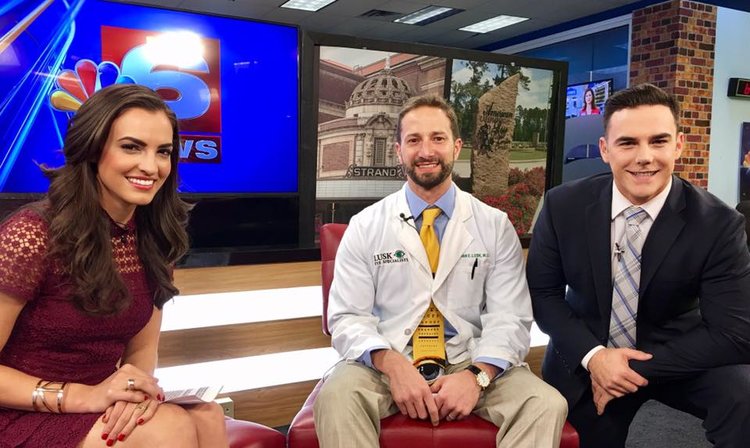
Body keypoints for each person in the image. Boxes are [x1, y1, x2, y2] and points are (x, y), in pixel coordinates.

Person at [313, 94, 567, 448]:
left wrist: (477, 376)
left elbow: (510, 318)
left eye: (438, 138)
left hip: (470, 358)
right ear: (398, 150)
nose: (426, 151)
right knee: (337, 396)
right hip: (387, 361)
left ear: (456, 146)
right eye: (414, 140)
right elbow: (347, 318)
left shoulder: (494, 225)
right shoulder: (365, 225)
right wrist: (392, 365)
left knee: (545, 404)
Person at [0, 84, 228, 447]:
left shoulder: (152, 239)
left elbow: (140, 353)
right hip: (23, 409)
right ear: (93, 150)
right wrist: (77, 396)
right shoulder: (32, 234)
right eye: (131, 147)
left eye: (163, 152)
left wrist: (133, 395)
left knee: (207, 415)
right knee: (169, 428)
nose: (150, 167)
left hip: (96, 400)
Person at [527, 83, 750, 447]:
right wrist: (596, 358)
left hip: (678, 356)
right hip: (587, 354)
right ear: (605, 150)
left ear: (678, 145)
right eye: (628, 143)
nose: (644, 157)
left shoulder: (718, 224)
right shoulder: (562, 205)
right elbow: (544, 295)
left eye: (659, 141)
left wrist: (626, 368)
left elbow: (734, 334)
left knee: (744, 395)